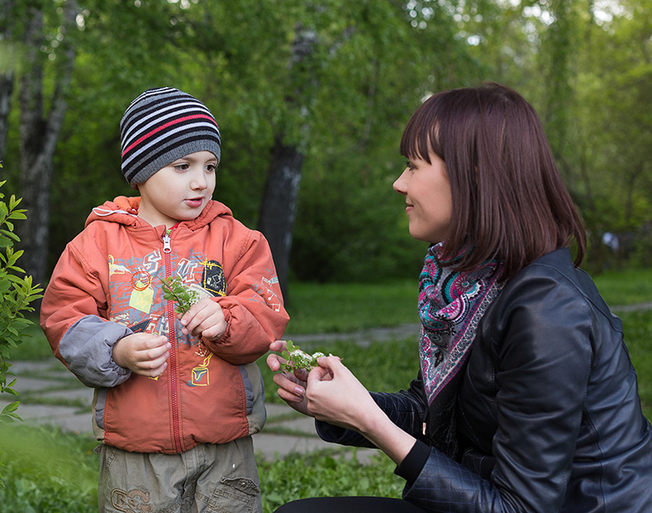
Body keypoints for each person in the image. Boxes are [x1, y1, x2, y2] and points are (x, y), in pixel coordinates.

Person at [267, 83, 652, 512]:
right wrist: (342, 405)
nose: (398, 184)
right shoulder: (466, 285)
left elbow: (521, 508)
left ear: (473, 177)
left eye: (413, 166)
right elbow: (429, 409)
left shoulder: (547, 312)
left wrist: (370, 421)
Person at [41, 87, 290, 513]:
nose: (201, 181)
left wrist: (226, 319)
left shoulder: (239, 241)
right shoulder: (96, 244)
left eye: (210, 166)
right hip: (135, 452)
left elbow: (266, 315)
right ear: (141, 170)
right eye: (182, 166)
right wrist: (115, 348)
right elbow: (63, 317)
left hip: (225, 448)